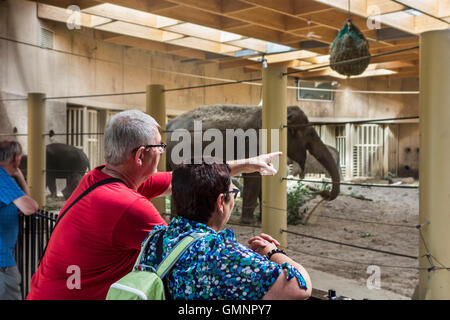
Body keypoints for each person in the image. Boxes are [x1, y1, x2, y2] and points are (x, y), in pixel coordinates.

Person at [27, 110, 279, 300]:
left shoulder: (98, 179)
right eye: (160, 146)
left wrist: (248, 164)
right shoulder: (127, 206)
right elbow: (184, 256)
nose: (163, 152)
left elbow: (186, 180)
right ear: (140, 155)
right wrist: (259, 255)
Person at [140, 160, 312, 300]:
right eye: (233, 193)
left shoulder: (155, 238)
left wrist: (246, 257)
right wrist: (273, 252)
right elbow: (299, 286)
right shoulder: (221, 253)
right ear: (221, 202)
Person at [0, 140, 39, 300]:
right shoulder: (3, 179)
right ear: (15, 158)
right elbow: (30, 207)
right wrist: (20, 178)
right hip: (3, 263)